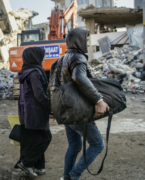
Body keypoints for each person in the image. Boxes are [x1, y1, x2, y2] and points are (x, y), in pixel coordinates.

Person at [54, 28, 109, 180]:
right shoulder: (78, 57)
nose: (89, 42)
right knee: (97, 145)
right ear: (79, 41)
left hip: (66, 111)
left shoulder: (60, 60)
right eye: (87, 39)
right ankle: (73, 176)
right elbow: (79, 78)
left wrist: (53, 110)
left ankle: (66, 176)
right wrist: (98, 100)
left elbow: (52, 86)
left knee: (75, 145)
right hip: (78, 111)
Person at [15, 47, 52, 178]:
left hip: (27, 112)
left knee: (34, 139)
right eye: (43, 56)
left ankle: (38, 167)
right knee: (46, 138)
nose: (45, 59)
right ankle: (26, 163)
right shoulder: (35, 72)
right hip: (35, 112)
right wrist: (51, 108)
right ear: (36, 58)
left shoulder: (25, 71)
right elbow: (40, 94)